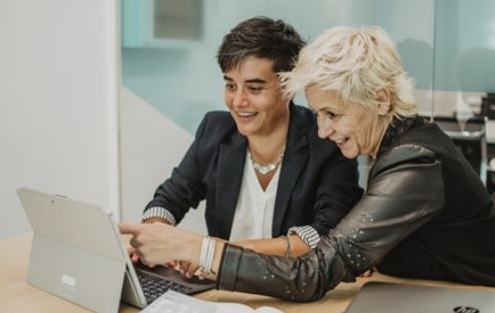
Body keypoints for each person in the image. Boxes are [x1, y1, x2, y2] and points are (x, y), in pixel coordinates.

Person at [123, 25, 495, 300]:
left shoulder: (414, 162)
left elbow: (313, 273)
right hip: (440, 299)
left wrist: (201, 251)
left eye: (333, 114)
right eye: (319, 113)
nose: (322, 130)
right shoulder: (400, 144)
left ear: (380, 100)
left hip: (487, 309)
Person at [137, 17, 363, 276]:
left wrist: (213, 252)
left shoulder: (328, 140)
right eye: (230, 86)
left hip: (292, 288)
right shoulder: (214, 130)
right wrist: (155, 234)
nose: (238, 101)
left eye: (254, 88)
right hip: (221, 290)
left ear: (289, 88)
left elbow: (325, 236)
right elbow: (169, 199)